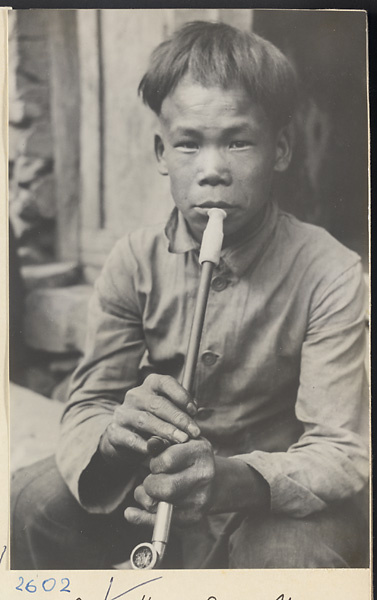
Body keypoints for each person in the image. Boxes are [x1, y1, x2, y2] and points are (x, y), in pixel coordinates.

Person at [11, 21, 369, 570]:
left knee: (289, 559)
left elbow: (341, 452)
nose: (212, 170)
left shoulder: (332, 273)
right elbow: (87, 404)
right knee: (32, 504)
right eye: (188, 143)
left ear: (280, 150)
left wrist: (234, 480)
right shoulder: (132, 259)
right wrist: (112, 437)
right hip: (153, 491)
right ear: (161, 152)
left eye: (238, 140)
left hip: (271, 500)